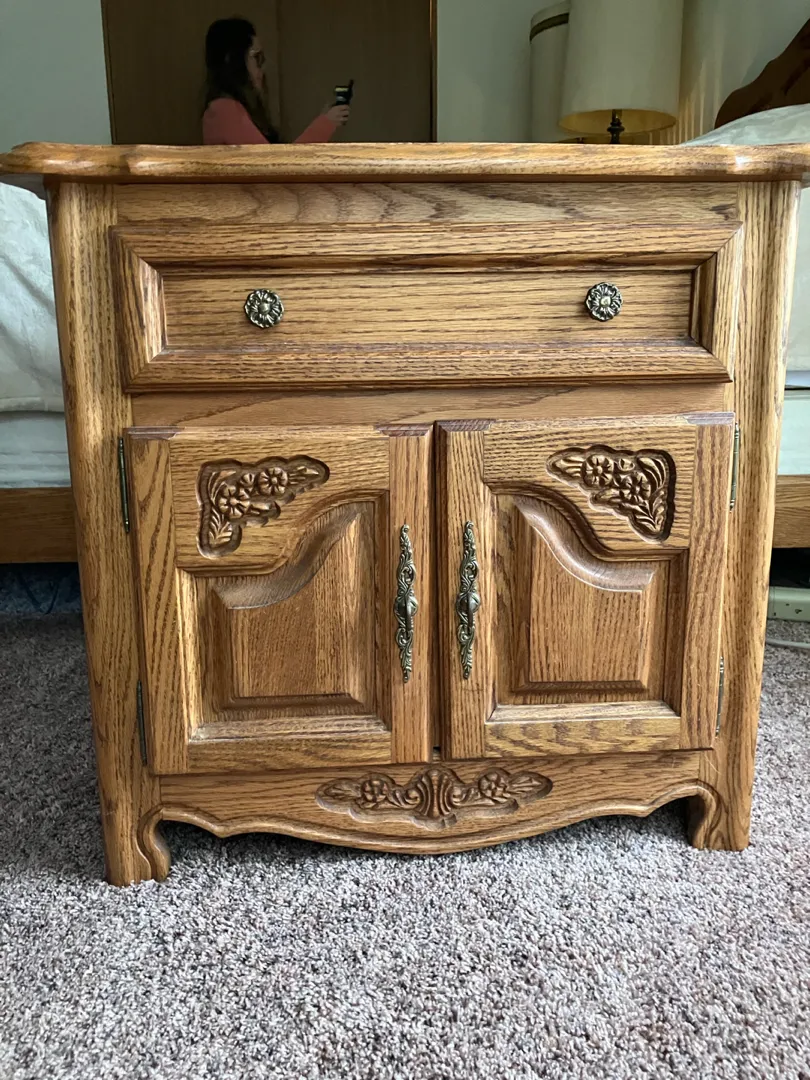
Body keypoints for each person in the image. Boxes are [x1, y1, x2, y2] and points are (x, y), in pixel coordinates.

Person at [202, 17, 350, 145]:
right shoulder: (224, 110)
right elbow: (276, 163)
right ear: (233, 61)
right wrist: (325, 123)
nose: (263, 69)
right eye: (257, 58)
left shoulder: (229, 108)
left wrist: (325, 121)